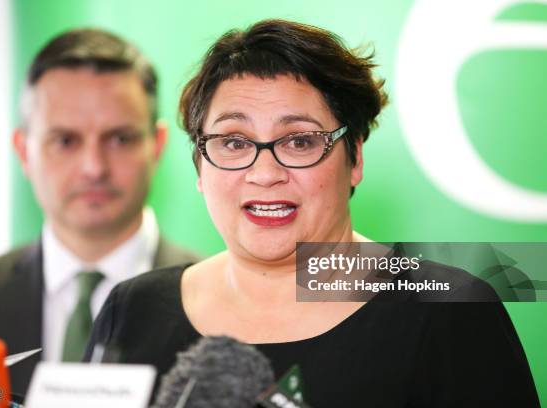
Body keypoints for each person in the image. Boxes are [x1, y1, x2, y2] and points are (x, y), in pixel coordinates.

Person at [85, 20, 539, 406]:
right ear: (200, 165)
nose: (265, 173)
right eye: (235, 142)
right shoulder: (133, 308)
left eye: (299, 141)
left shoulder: (447, 310)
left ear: (354, 158)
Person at [0, 28, 199, 395]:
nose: (94, 167)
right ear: (24, 151)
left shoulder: (228, 308)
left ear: (156, 146)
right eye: (65, 141)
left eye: (120, 138)